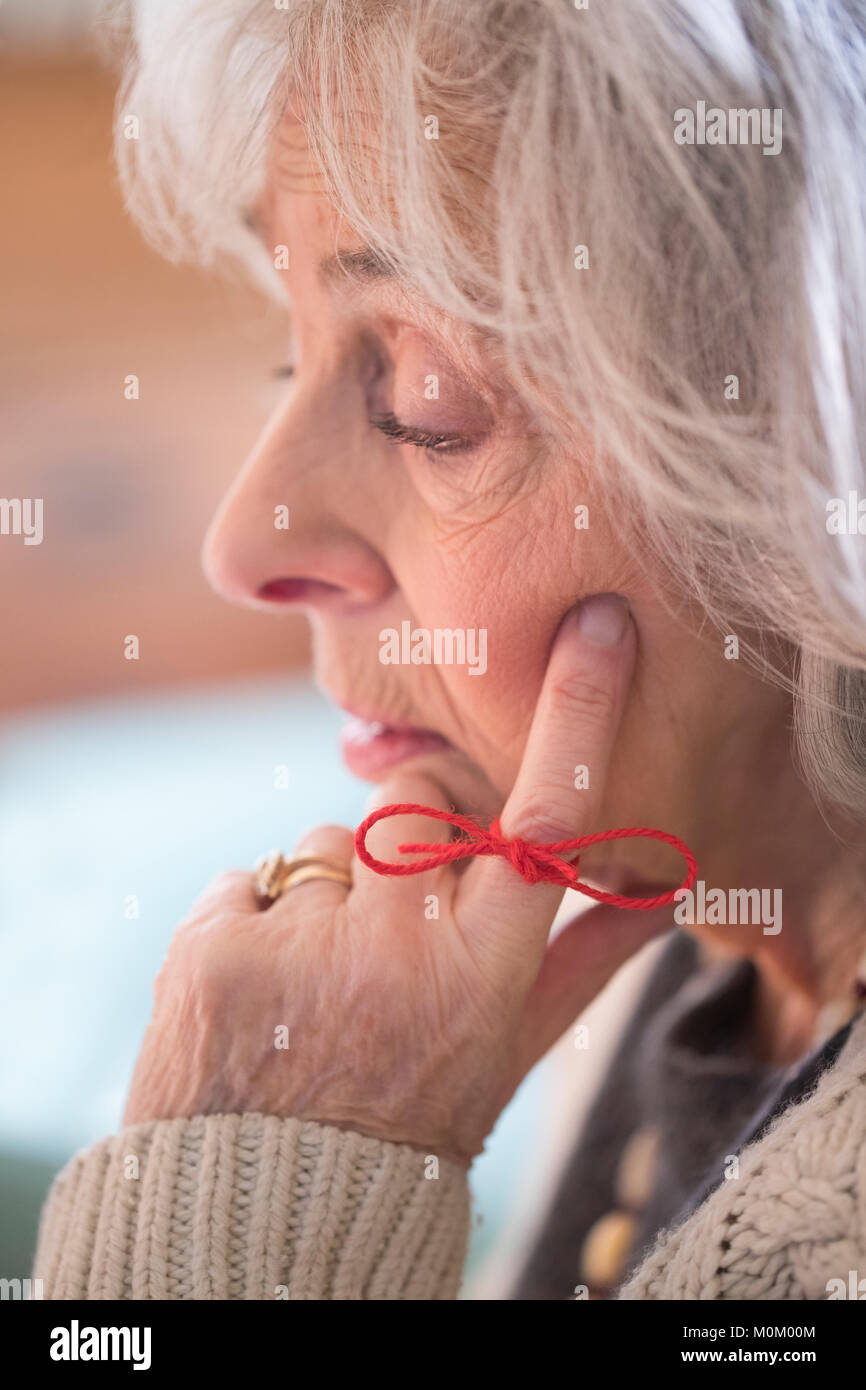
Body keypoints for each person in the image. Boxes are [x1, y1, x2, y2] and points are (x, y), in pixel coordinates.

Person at [35, 0, 866, 1299]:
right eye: (284, 360)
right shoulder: (661, 951)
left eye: (429, 403)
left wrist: (248, 1193)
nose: (244, 542)